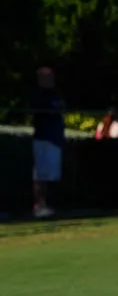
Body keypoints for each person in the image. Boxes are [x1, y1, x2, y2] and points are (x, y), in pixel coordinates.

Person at [29, 66, 64, 219]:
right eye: (47, 77)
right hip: (43, 138)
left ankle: (46, 205)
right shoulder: (39, 96)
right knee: (41, 174)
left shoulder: (55, 94)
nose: (50, 80)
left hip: (54, 139)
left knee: (50, 175)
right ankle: (39, 206)